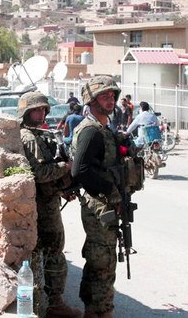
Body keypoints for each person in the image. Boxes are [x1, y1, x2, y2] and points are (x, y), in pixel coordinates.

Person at [18, 91, 83, 318]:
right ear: (26, 112)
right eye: (36, 110)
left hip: (45, 200)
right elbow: (40, 173)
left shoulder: (35, 134)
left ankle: (44, 302)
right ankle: (54, 304)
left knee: (44, 252)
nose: (41, 113)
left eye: (43, 109)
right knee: (54, 250)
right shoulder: (29, 138)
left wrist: (63, 188)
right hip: (43, 206)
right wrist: (65, 167)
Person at [70, 75, 124, 318]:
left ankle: (95, 309)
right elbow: (79, 170)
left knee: (98, 258)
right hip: (99, 205)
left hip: (104, 203)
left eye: (112, 95)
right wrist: (109, 191)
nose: (110, 99)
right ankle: (100, 311)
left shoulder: (103, 129)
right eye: (104, 96)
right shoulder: (91, 131)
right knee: (103, 261)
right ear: (91, 101)